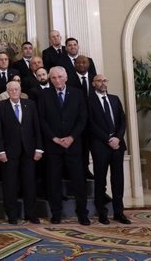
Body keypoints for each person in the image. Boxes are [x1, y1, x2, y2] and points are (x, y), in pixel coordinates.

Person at [38, 66, 90, 225]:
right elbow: (41, 119)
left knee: (78, 181)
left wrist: (72, 137)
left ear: (66, 77)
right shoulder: (44, 95)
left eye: (60, 77)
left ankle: (82, 213)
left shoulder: (77, 94)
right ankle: (56, 213)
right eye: (53, 78)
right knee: (53, 181)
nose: (57, 80)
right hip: (53, 146)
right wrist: (53, 138)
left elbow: (83, 118)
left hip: (73, 145)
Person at [0, 81, 44, 224]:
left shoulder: (30, 105)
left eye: (16, 89)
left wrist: (39, 148)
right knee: (10, 185)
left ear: (20, 90)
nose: (14, 92)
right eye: (11, 90)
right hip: (9, 152)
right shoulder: (0, 107)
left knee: (30, 184)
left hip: (29, 151)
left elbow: (36, 128)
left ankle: (31, 214)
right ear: (7, 91)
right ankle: (12, 215)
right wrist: (0, 151)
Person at [89, 74, 131, 225]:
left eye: (105, 80)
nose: (102, 83)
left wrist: (118, 138)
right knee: (101, 181)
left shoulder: (114, 99)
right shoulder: (89, 101)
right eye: (99, 81)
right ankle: (102, 213)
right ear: (93, 84)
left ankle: (119, 213)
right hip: (100, 146)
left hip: (117, 145)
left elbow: (122, 120)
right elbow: (91, 124)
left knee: (118, 180)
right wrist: (108, 140)